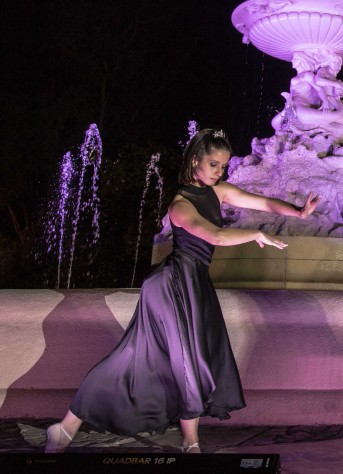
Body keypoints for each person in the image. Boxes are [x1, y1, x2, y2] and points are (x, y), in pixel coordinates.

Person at [46, 129, 318, 453]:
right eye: (214, 164)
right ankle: (191, 443)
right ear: (194, 161)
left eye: (223, 166)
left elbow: (260, 202)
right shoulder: (180, 206)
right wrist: (255, 234)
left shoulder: (218, 192)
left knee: (137, 358)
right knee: (188, 359)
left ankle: (64, 429)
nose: (219, 172)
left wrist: (298, 211)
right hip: (172, 285)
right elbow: (214, 235)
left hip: (195, 282)